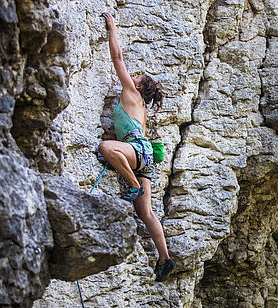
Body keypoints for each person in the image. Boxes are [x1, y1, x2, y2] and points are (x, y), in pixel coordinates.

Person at [98, 12, 175, 282]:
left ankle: (132, 186)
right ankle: (164, 258)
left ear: (139, 86)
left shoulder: (131, 92)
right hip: (143, 155)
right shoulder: (139, 108)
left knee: (105, 148)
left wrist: (112, 27)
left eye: (137, 77)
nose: (133, 77)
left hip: (136, 153)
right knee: (146, 212)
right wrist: (114, 133)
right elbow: (127, 129)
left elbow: (117, 58)